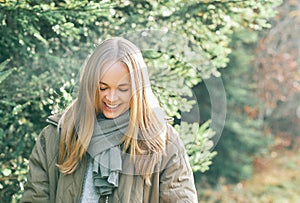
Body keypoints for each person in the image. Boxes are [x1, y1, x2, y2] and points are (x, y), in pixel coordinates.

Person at [20, 37, 198, 203]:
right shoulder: (57, 135)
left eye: (122, 89)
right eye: (103, 88)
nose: (111, 98)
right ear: (90, 85)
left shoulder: (163, 141)